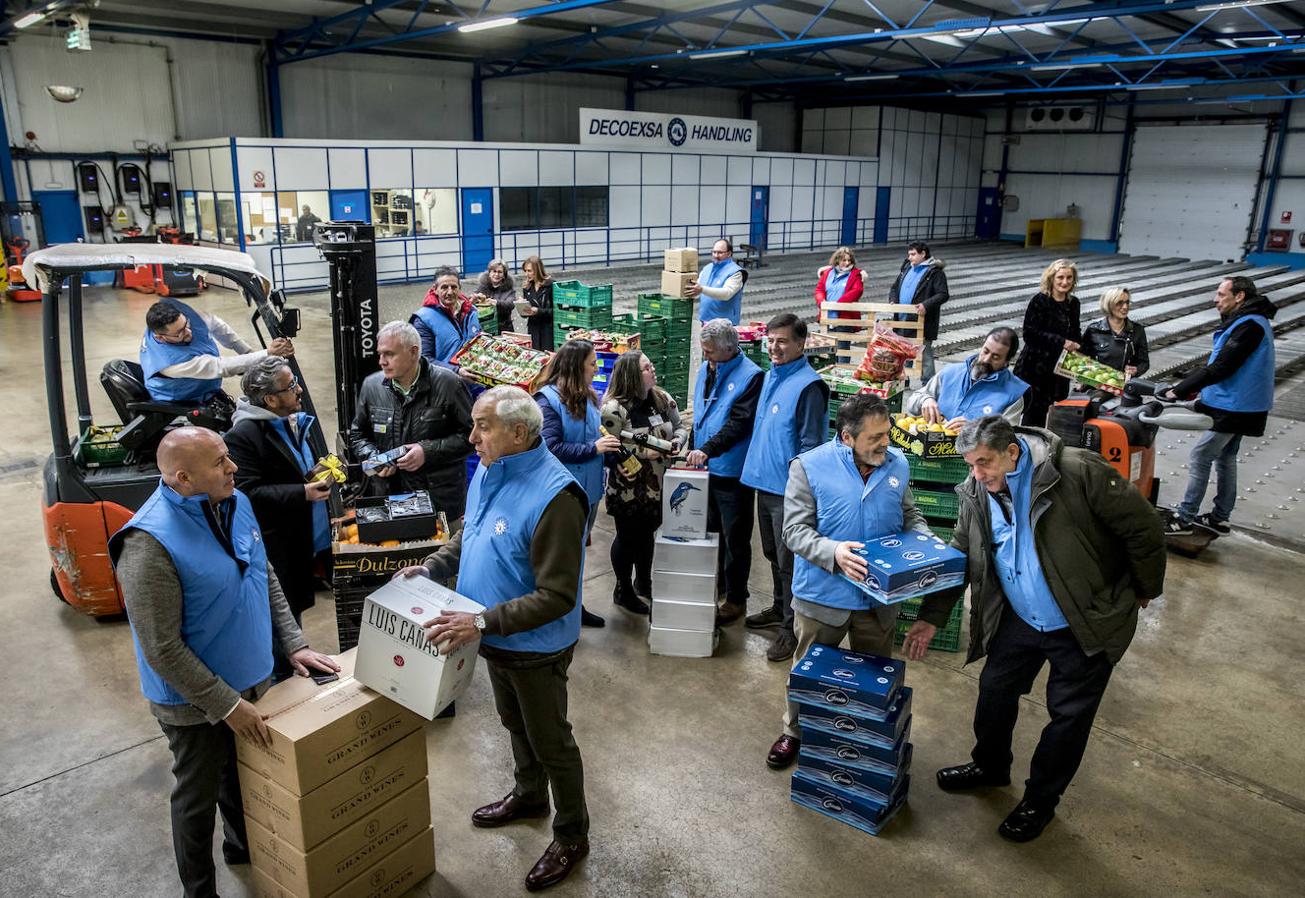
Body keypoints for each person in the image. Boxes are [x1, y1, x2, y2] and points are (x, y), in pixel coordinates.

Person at [903, 416, 1165, 843]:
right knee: (995, 690)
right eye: (970, 464)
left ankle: (1040, 800)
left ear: (1011, 452)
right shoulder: (977, 490)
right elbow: (961, 555)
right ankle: (990, 766)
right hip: (1021, 616)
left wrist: (1144, 587)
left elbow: (1143, 527)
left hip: (1081, 620)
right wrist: (932, 615)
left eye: (984, 462)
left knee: (1068, 718)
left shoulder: (1077, 471)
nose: (976, 474)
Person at [109, 428, 339, 898]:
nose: (232, 467)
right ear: (183, 477)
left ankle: (243, 850)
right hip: (194, 704)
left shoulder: (236, 502)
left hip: (254, 679)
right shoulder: (148, 545)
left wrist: (293, 643)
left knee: (240, 777)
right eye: (219, 462)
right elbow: (161, 647)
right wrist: (228, 707)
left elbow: (262, 573)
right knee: (197, 795)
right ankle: (200, 890)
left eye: (228, 457)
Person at [395, 386, 591, 892]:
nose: (471, 436)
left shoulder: (557, 497)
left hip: (535, 646)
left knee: (552, 740)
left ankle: (572, 834)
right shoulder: (489, 467)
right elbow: (471, 529)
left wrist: (480, 623)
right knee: (513, 722)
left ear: (519, 433)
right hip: (492, 637)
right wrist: (436, 564)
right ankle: (529, 795)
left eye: (483, 426)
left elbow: (557, 596)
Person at [766, 394, 933, 770]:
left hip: (879, 600)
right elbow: (794, 531)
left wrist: (923, 542)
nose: (884, 444)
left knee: (873, 679)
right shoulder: (809, 467)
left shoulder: (897, 464)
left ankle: (860, 737)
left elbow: (909, 513)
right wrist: (835, 553)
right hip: (823, 596)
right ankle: (793, 731)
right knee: (807, 670)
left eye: (887, 434)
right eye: (874, 438)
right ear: (846, 437)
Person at [740, 313, 831, 662]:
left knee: (789, 561)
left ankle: (792, 629)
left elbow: (811, 446)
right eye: (771, 340)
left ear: (800, 343)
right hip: (764, 483)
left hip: (788, 493)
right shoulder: (770, 376)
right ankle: (779, 609)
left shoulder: (809, 387)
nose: (774, 347)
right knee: (772, 555)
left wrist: (800, 492)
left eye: (782, 341)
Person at [1162, 276, 1276, 536]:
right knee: (1226, 457)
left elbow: (1223, 366)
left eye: (1221, 294)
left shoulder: (1250, 326)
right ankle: (1220, 518)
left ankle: (1184, 518)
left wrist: (1177, 390)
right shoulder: (1251, 321)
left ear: (1240, 297)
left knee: (1201, 456)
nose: (1216, 299)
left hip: (1236, 407)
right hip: (1242, 404)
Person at [224, 357, 332, 632]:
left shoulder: (288, 421)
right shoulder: (244, 435)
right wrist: (302, 493)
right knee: (282, 619)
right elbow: (247, 493)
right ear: (271, 400)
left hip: (303, 540)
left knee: (294, 611)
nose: (299, 390)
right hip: (277, 548)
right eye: (291, 385)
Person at [348, 321, 475, 520]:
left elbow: (472, 437)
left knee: (440, 551)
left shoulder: (449, 384)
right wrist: (375, 459)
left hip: (439, 503)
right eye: (380, 354)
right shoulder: (371, 386)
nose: (381, 361)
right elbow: (357, 435)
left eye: (389, 354)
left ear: (413, 352)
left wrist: (427, 451)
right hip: (388, 498)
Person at [535, 338, 621, 628]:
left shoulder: (588, 396)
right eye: (592, 364)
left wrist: (611, 455)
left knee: (578, 553)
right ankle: (556, 610)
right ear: (575, 367)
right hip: (563, 495)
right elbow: (549, 447)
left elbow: (593, 438)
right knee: (561, 556)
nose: (596, 369)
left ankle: (573, 606)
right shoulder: (547, 400)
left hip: (590, 492)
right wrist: (593, 449)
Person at [685, 319, 764, 625]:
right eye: (703, 352)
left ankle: (735, 598)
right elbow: (702, 412)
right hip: (705, 466)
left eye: (710, 353)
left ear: (729, 349)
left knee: (735, 539)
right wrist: (693, 446)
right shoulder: (707, 369)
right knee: (710, 532)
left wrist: (708, 449)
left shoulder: (751, 378)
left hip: (732, 472)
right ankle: (714, 584)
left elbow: (738, 424)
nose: (705, 358)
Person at [601, 351, 688, 615]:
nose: (653, 370)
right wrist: (642, 454)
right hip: (628, 489)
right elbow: (608, 448)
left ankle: (644, 582)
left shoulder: (662, 399)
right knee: (628, 538)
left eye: (651, 365)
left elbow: (681, 426)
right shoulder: (614, 409)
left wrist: (677, 442)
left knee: (647, 535)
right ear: (631, 376)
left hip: (659, 486)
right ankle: (623, 589)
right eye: (647, 368)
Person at [140, 299, 293, 404]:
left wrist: (246, 351)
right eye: (179, 332)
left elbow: (216, 324)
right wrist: (267, 354)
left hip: (202, 388)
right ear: (159, 337)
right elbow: (220, 367)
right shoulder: (171, 364)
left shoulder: (177, 320)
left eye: (187, 324)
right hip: (184, 400)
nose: (188, 332)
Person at [905, 326, 1028, 428]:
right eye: (985, 351)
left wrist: (977, 429)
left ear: (1007, 361)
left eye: (995, 357)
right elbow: (913, 402)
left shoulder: (1013, 395)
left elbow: (1008, 438)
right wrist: (925, 400)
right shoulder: (951, 373)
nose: (986, 359)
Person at [1014, 259, 1082, 427]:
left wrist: (1077, 345)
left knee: (1054, 412)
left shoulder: (1073, 303)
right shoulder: (1039, 301)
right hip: (1035, 368)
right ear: (1051, 278)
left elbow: (1075, 330)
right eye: (1060, 277)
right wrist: (1062, 342)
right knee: (1033, 413)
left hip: (1058, 369)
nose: (1064, 282)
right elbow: (1030, 334)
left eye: (1069, 277)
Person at [887, 241, 948, 381]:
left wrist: (926, 305)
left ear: (923, 254)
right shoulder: (907, 268)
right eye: (909, 254)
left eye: (913, 254)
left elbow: (943, 294)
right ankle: (903, 380)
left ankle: (927, 383)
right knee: (902, 352)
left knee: (924, 354)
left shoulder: (935, 272)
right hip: (902, 319)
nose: (910, 257)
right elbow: (894, 287)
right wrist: (893, 299)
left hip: (922, 321)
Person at [410, 266, 482, 369]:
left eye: (454, 287)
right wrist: (457, 371)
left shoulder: (471, 311)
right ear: (435, 289)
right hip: (445, 381)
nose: (450, 292)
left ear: (459, 288)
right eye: (444, 287)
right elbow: (424, 361)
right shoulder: (423, 320)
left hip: (477, 375)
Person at [1081, 287, 1149, 377]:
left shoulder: (1137, 330)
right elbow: (1081, 358)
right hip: (1097, 384)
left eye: (1127, 302)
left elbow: (1144, 363)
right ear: (1109, 305)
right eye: (1119, 303)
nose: (1125, 307)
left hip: (1124, 386)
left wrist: (1136, 370)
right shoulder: (1094, 330)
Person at [687, 238, 745, 324]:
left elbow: (727, 294)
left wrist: (702, 289)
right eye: (714, 252)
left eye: (720, 252)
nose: (716, 255)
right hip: (705, 320)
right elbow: (698, 288)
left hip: (725, 324)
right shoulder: (707, 268)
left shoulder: (736, 272)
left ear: (729, 253)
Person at [814, 245, 864, 321]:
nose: (847, 263)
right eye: (844, 260)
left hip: (845, 318)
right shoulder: (827, 273)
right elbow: (819, 290)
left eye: (849, 260)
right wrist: (822, 302)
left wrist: (837, 305)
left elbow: (857, 291)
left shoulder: (856, 275)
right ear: (837, 260)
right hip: (826, 316)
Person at [519, 255, 555, 351]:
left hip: (547, 330)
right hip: (533, 329)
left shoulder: (551, 286)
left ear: (538, 270)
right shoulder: (527, 287)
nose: (527, 274)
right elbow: (525, 314)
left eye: (529, 271)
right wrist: (522, 307)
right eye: (525, 271)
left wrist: (538, 311)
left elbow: (557, 311)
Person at [476, 258, 517, 334]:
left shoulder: (509, 290)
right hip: (485, 328)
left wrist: (496, 303)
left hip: (504, 329)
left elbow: (510, 304)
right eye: (494, 271)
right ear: (489, 273)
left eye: (500, 272)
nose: (496, 274)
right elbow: (472, 302)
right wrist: (477, 298)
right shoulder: (482, 288)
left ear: (504, 275)